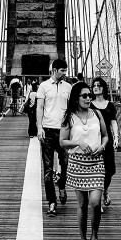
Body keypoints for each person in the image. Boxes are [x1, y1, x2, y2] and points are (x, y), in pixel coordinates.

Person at [60, 82, 108, 240]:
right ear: (76, 98)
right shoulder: (69, 117)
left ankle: (94, 236)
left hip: (96, 162)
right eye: (85, 96)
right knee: (82, 204)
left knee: (95, 202)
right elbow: (62, 142)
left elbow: (105, 135)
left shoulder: (97, 114)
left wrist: (102, 146)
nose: (89, 98)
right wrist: (78, 142)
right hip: (77, 162)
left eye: (90, 95)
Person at [36, 59, 72, 216]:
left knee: (65, 164)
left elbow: (72, 108)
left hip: (64, 131)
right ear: (54, 70)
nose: (64, 73)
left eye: (65, 70)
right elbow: (39, 107)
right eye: (62, 70)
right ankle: (51, 202)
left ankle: (62, 185)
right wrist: (39, 127)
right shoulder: (44, 86)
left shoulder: (68, 87)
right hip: (48, 131)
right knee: (48, 169)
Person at [91, 76, 119, 207]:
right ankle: (97, 199)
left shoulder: (110, 105)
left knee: (109, 169)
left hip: (107, 139)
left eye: (99, 85)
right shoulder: (89, 104)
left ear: (104, 88)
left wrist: (117, 136)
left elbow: (113, 121)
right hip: (93, 139)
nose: (96, 87)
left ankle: (105, 190)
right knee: (96, 169)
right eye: (94, 86)